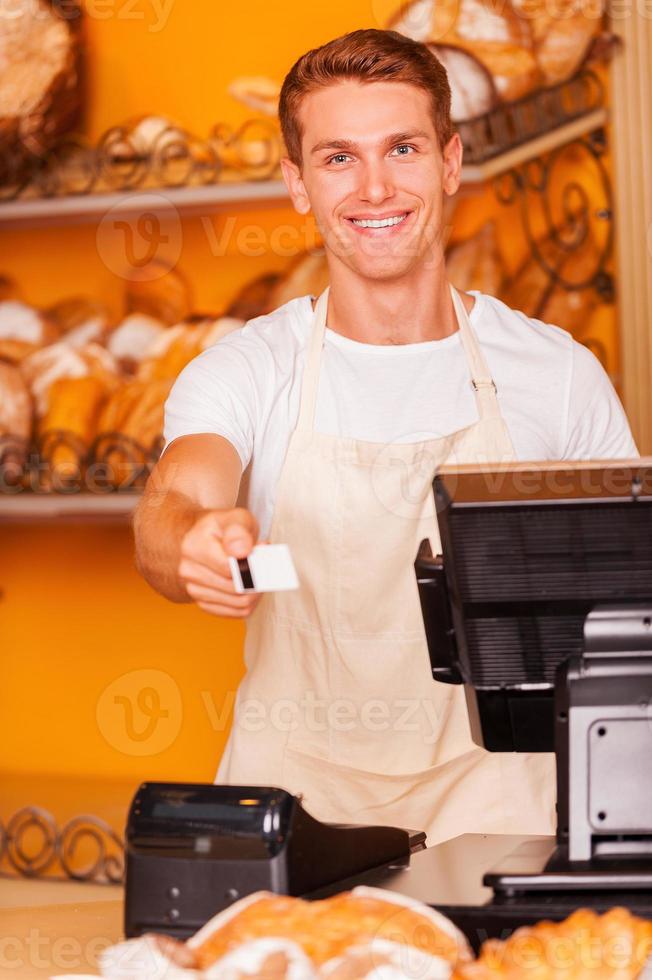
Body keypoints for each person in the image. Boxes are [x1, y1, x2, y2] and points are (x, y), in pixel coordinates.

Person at [134, 29, 637, 844]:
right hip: (296, 805)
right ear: (298, 184)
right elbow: (178, 498)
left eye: (402, 148)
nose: (374, 187)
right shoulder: (250, 370)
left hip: (503, 803)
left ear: (449, 161)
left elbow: (624, 607)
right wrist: (194, 539)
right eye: (338, 158)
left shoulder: (557, 373)